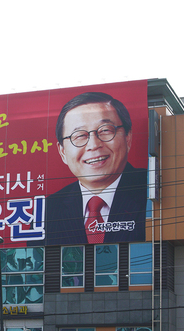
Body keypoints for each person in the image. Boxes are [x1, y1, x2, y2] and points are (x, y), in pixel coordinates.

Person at [45, 92, 147, 245]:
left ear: (128, 137)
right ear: (62, 152)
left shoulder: (152, 189)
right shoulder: (49, 209)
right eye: (79, 135)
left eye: (105, 130)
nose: (93, 145)